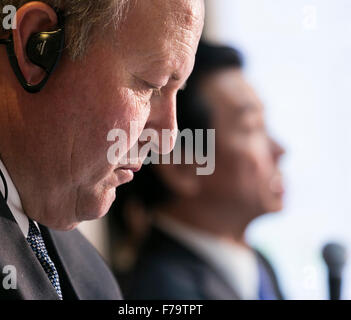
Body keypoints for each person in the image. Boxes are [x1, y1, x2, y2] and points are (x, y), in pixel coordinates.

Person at [0, 0, 204, 299]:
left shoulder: (88, 269)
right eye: (150, 86)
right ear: (36, 45)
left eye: (175, 92)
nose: (167, 139)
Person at [110, 41, 286, 300]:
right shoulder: (159, 292)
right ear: (181, 167)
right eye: (251, 127)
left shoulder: (258, 265)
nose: (279, 150)